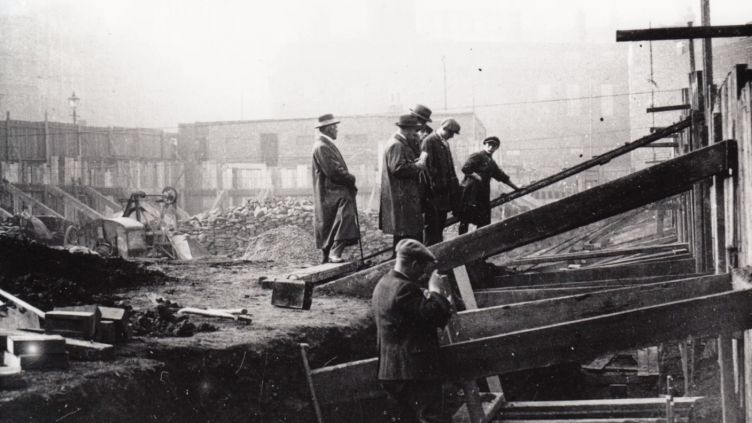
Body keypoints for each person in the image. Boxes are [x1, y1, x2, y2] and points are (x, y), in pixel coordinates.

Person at [372, 239, 453, 423]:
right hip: (414, 372)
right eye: (422, 269)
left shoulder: (383, 284)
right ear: (414, 264)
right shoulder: (405, 288)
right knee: (432, 418)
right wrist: (435, 290)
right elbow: (436, 316)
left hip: (391, 372)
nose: (423, 275)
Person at [311, 114, 360, 263]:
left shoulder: (324, 144)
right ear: (327, 128)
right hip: (331, 192)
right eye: (334, 127)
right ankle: (334, 252)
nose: (337, 129)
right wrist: (351, 178)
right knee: (346, 216)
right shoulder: (322, 146)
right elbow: (334, 172)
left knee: (330, 224)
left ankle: (327, 257)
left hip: (330, 192)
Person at [380, 114, 428, 248]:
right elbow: (398, 169)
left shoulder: (399, 143)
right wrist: (418, 165)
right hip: (402, 198)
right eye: (414, 130)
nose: (415, 134)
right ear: (407, 129)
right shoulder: (396, 145)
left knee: (405, 236)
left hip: (404, 197)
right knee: (406, 236)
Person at [458, 136, 520, 235]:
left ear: (496, 148)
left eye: (494, 146)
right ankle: (459, 244)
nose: (491, 148)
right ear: (485, 145)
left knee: (483, 221)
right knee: (465, 219)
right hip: (470, 193)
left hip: (482, 194)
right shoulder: (477, 156)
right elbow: (465, 168)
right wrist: (477, 177)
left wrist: (516, 188)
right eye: (489, 145)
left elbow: (503, 177)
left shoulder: (491, 163)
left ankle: (479, 243)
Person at [421, 118, 461, 245]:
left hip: (443, 194)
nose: (452, 136)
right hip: (434, 195)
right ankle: (429, 256)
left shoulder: (444, 142)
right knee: (432, 227)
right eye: (451, 133)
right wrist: (436, 187)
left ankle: (437, 255)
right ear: (444, 129)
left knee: (439, 226)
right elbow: (427, 167)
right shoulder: (429, 141)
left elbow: (449, 167)